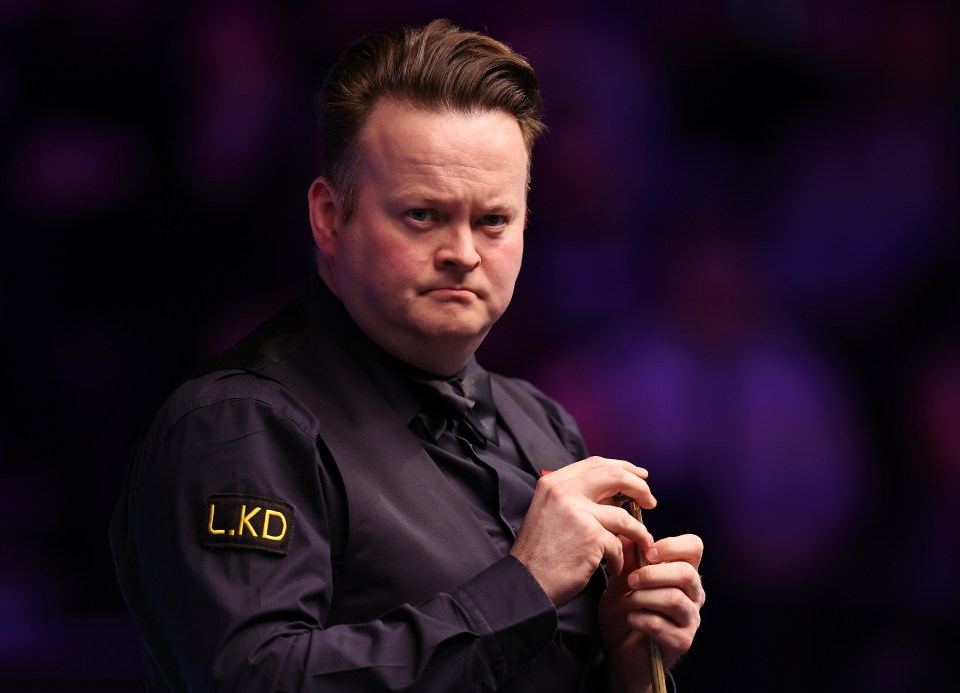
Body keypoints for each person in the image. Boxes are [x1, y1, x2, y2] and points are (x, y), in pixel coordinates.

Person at [109, 18, 705, 692]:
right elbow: (255, 682)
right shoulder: (237, 427)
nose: (464, 251)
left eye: (493, 220)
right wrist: (524, 584)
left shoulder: (541, 422)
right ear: (331, 217)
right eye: (423, 214)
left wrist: (630, 664)